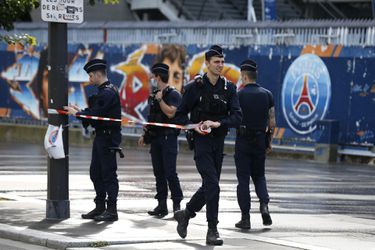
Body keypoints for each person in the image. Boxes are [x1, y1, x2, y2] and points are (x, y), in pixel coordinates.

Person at [173, 45, 242, 245]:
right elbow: (179, 115)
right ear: (207, 63)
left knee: (209, 186)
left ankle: (185, 214)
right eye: (216, 62)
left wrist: (219, 123)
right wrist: (194, 126)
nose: (220, 65)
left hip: (218, 142)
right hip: (201, 142)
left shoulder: (229, 88)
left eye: (222, 62)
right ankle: (212, 229)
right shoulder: (195, 87)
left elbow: (237, 116)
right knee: (212, 185)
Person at [64, 59, 122, 222]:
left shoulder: (108, 92)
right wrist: (80, 111)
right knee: (95, 172)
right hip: (101, 136)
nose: (89, 79)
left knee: (108, 173)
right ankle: (100, 206)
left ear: (98, 74)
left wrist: (78, 114)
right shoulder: (104, 91)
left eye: (90, 75)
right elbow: (95, 115)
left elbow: (96, 113)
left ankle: (112, 210)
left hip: (108, 137)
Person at [138, 63, 184, 217]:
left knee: (170, 173)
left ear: (158, 76)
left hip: (169, 138)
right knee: (159, 173)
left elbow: (171, 113)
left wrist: (160, 100)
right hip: (157, 139)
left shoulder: (173, 94)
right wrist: (146, 135)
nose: (151, 78)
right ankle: (161, 205)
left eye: (153, 76)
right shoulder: (154, 95)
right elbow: (153, 119)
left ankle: (177, 205)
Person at [234, 59, 275, 230]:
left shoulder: (238, 95)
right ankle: (264, 205)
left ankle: (245, 218)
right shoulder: (267, 94)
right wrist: (268, 142)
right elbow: (272, 123)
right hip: (260, 139)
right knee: (259, 176)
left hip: (243, 140)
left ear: (244, 76)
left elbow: (233, 117)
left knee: (243, 179)